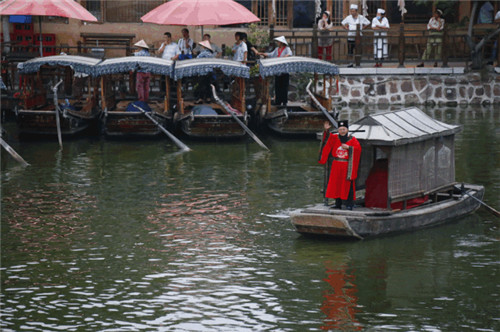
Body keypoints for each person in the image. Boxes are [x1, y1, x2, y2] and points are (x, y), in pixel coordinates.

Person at [319, 120, 361, 210]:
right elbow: (326, 141)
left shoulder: (352, 139)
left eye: (344, 129)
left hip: (347, 165)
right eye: (340, 129)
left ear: (347, 130)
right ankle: (338, 204)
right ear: (338, 130)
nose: (342, 131)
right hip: (336, 164)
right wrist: (326, 131)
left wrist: (349, 148)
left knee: (348, 185)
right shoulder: (334, 138)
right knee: (336, 184)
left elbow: (358, 149)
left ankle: (350, 204)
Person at [259, 36, 293, 106]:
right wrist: (262, 53)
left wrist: (282, 58)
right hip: (277, 71)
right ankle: (278, 101)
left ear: (281, 42)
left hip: (284, 71)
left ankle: (284, 102)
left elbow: (289, 54)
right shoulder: (277, 49)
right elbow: (271, 54)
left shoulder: (287, 49)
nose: (277, 43)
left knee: (284, 87)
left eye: (278, 42)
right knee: (277, 87)